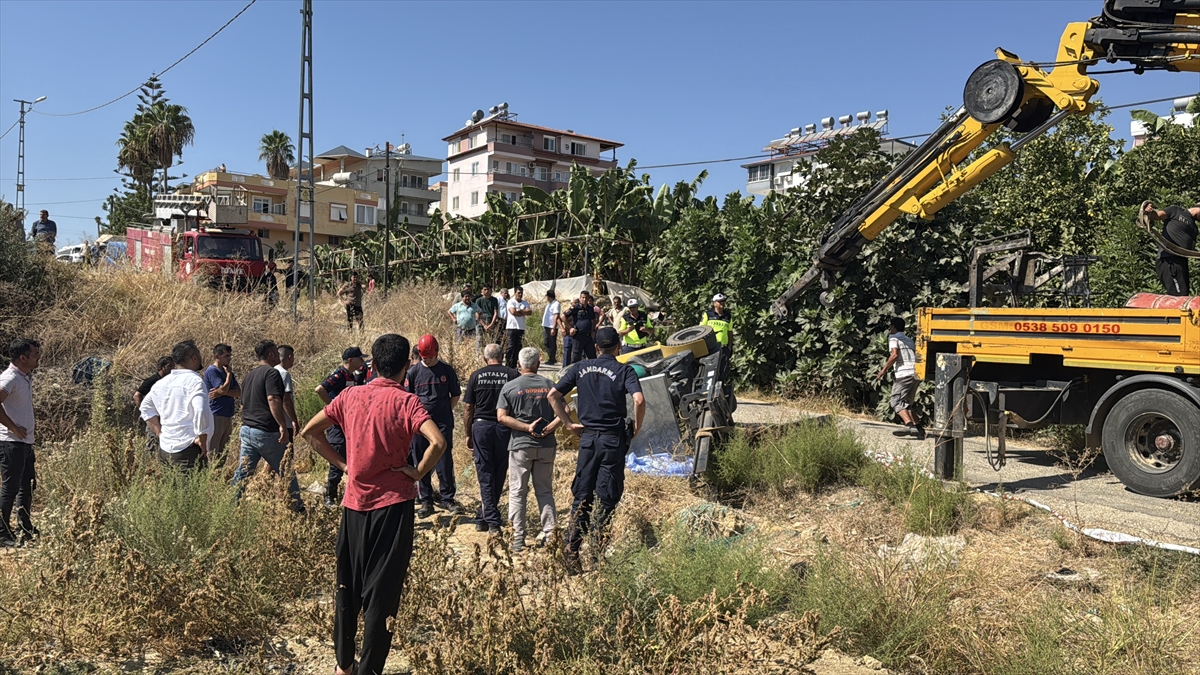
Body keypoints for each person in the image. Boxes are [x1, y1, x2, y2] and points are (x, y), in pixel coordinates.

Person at [301, 333, 447, 675]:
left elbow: (310, 431)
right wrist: (417, 472)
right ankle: (370, 669)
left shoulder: (350, 396)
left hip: (354, 505)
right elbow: (437, 442)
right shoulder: (407, 402)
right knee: (382, 594)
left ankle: (343, 665)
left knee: (346, 587)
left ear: (374, 365)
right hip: (393, 507)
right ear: (405, 367)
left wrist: (344, 466)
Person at [548, 327, 645, 572]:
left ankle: (571, 552)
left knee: (582, 497)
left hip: (588, 440)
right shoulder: (625, 370)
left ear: (597, 346)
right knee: (607, 496)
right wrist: (637, 427)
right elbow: (639, 400)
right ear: (618, 346)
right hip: (613, 441)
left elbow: (553, 395)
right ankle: (597, 553)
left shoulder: (580, 368)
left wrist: (569, 423)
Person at [497, 347, 561, 553]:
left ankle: (517, 538)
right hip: (546, 446)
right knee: (544, 490)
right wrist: (550, 428)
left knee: (517, 491)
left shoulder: (510, 387)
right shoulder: (550, 385)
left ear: (518, 364)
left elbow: (501, 417)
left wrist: (526, 428)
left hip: (520, 446)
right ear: (538, 364)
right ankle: (551, 534)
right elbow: (566, 412)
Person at [231, 340, 304, 511]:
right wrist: (281, 424)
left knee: (243, 473)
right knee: (287, 473)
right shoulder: (272, 374)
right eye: (275, 353)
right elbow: (273, 398)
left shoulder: (250, 375)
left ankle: (229, 508)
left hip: (247, 430)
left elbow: (243, 403)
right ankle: (298, 511)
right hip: (266, 432)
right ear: (271, 354)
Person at [405, 334, 462, 518]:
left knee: (444, 461)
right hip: (419, 425)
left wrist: (445, 411)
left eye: (430, 357)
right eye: (424, 357)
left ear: (437, 352)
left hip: (443, 422)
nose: (427, 360)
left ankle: (447, 498)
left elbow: (455, 394)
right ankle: (426, 500)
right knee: (421, 461)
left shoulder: (446, 370)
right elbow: (408, 398)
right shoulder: (413, 373)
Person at [462, 344, 517, 533]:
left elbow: (469, 407)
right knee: (499, 470)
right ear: (502, 356)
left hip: (482, 426)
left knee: (485, 473)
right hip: (504, 426)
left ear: (485, 359)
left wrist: (468, 433)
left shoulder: (476, 375)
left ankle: (488, 518)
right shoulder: (512, 374)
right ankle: (488, 517)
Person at [139, 340, 213, 473]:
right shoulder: (195, 381)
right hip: (188, 451)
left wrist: (159, 432)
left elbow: (145, 407)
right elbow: (200, 410)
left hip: (166, 450)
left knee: (171, 491)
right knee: (190, 492)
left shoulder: (162, 383)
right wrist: (202, 439)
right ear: (194, 358)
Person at [0, 338, 41, 547]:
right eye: (34, 355)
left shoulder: (24, 377)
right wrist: (12, 427)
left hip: (24, 443)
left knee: (26, 485)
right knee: (11, 488)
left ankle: (24, 525)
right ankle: (2, 532)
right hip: (11, 442)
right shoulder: (10, 378)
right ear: (22, 358)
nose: (38, 358)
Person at [317, 347, 368, 507]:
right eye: (359, 358)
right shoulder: (339, 375)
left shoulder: (354, 376)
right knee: (338, 457)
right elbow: (320, 389)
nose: (362, 361)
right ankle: (329, 496)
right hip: (337, 426)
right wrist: (334, 408)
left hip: (350, 425)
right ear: (351, 360)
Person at [876, 317, 925, 441]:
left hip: (904, 374)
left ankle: (909, 426)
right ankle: (919, 429)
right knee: (907, 404)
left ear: (893, 327)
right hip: (916, 373)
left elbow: (894, 355)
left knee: (896, 401)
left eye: (890, 327)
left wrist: (883, 370)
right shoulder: (909, 340)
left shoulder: (894, 338)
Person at [1142, 201, 1199, 296]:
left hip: (1182, 263)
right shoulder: (1176, 210)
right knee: (1177, 295)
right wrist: (1148, 210)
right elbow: (1156, 215)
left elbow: (1191, 251)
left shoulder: (1195, 229)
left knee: (1183, 295)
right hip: (1168, 259)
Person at [203, 344, 240, 464]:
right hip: (216, 414)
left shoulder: (227, 370)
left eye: (230, 356)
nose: (229, 359)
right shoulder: (213, 371)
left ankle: (219, 474)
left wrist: (223, 392)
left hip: (227, 414)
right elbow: (221, 389)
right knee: (213, 449)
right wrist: (228, 377)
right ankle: (211, 476)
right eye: (226, 356)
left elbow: (238, 392)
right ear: (217, 356)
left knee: (223, 449)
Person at [135, 356, 175, 453]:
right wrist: (144, 413)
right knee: (152, 440)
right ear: (160, 367)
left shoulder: (170, 381)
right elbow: (137, 395)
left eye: (173, 366)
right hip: (154, 416)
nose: (172, 369)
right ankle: (150, 461)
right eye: (169, 366)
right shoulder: (153, 380)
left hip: (164, 416)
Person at [564, 291, 599, 364]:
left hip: (588, 337)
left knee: (593, 357)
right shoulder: (576, 307)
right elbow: (563, 316)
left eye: (586, 298)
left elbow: (594, 319)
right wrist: (570, 328)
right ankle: (573, 374)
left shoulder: (590, 308)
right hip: (578, 336)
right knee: (576, 358)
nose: (584, 299)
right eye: (583, 297)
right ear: (580, 298)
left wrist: (593, 330)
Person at [276, 345, 301, 444]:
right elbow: (285, 400)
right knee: (287, 456)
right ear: (290, 357)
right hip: (285, 423)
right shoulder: (284, 374)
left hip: (274, 422)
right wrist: (294, 420)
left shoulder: (271, 371)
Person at [504, 286, 533, 369]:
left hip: (521, 328)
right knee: (510, 347)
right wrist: (523, 312)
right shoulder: (511, 302)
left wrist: (520, 311)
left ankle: (514, 365)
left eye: (521, 293)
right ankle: (508, 364)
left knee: (518, 347)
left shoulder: (525, 303)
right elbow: (513, 312)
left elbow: (530, 312)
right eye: (518, 293)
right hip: (511, 327)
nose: (520, 294)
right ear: (515, 293)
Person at [473, 284, 502, 351]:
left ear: (491, 290)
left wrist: (491, 324)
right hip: (481, 323)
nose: (486, 291)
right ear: (482, 291)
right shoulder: (478, 300)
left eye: (488, 289)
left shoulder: (494, 300)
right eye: (484, 289)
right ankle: (479, 355)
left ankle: (492, 354)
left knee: (493, 340)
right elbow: (477, 314)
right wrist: (484, 325)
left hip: (491, 322)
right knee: (479, 340)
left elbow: (495, 313)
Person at [541, 290, 561, 365]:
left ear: (549, 296)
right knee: (546, 342)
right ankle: (551, 356)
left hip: (551, 326)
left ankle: (552, 359)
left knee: (552, 343)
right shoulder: (549, 304)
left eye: (547, 296)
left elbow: (556, 316)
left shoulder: (556, 304)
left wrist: (553, 328)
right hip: (546, 326)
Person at [561, 296, 580, 368]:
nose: (576, 304)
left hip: (577, 336)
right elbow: (560, 319)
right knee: (567, 353)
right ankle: (564, 370)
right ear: (571, 303)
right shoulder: (568, 312)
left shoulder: (580, 312)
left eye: (577, 302)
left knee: (576, 355)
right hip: (568, 336)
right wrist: (563, 328)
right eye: (575, 302)